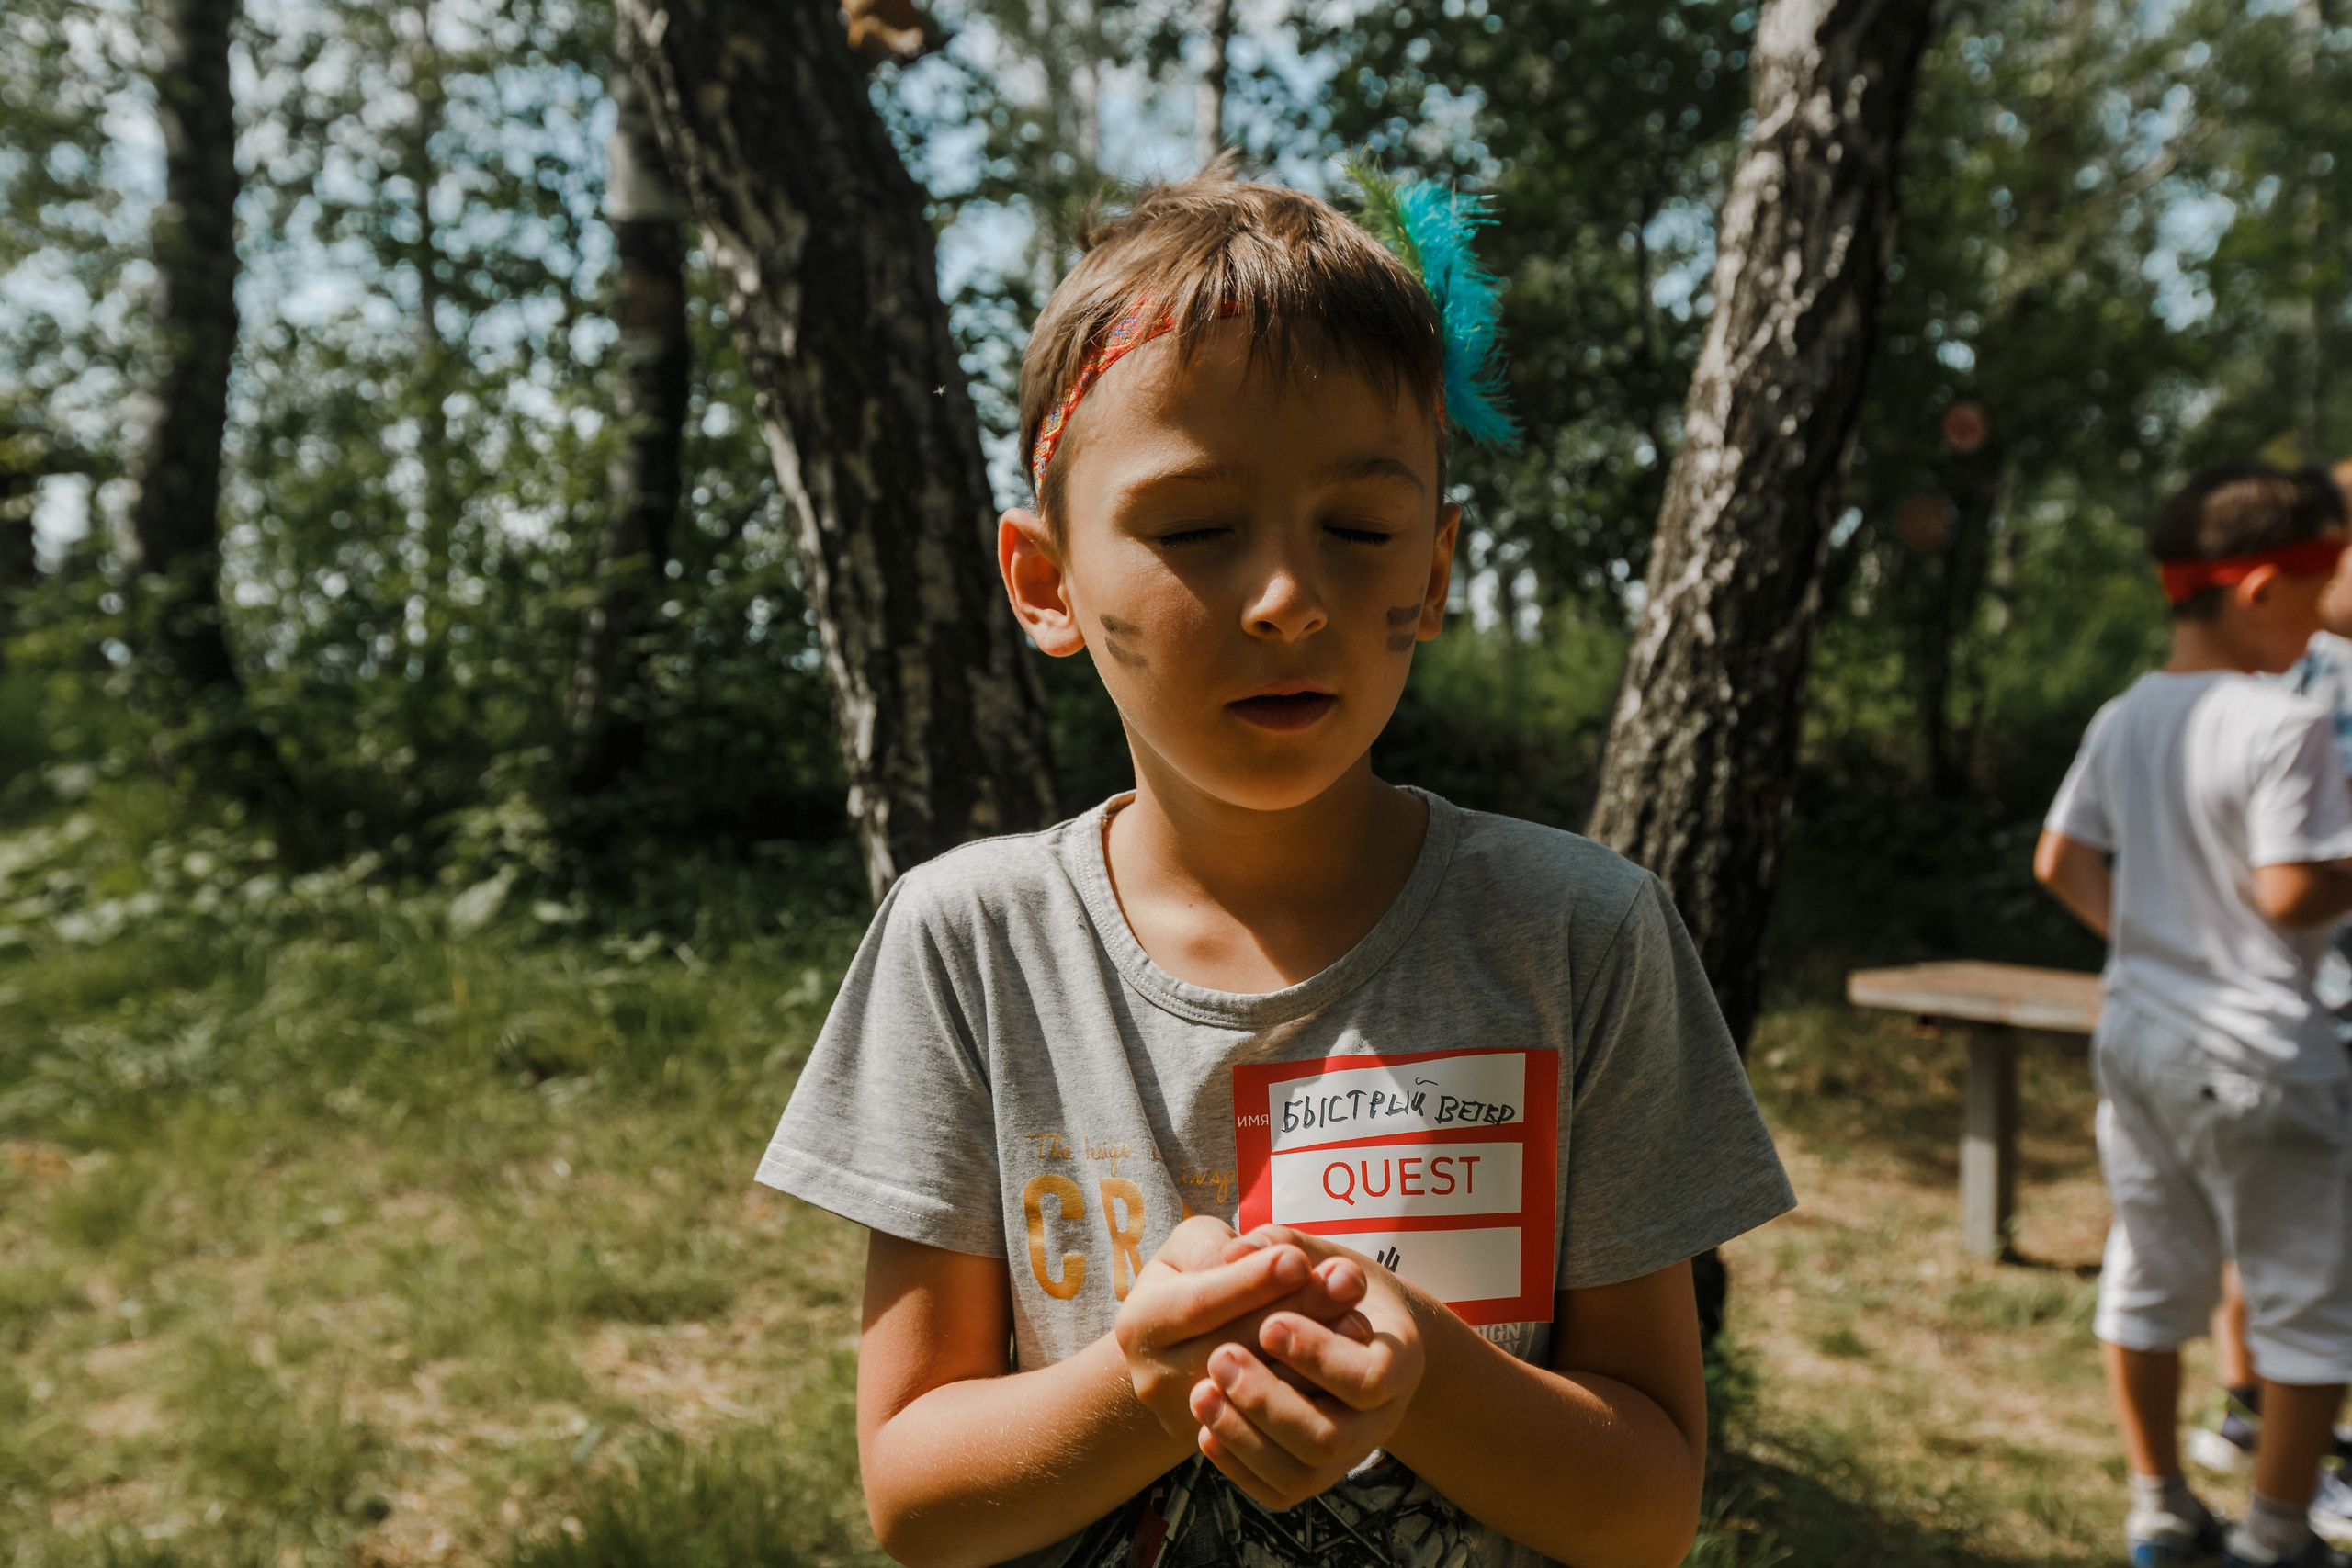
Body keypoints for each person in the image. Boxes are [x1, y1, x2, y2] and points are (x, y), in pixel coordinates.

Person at [752, 170, 1796, 1568]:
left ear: (1432, 571)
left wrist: (1421, 1375)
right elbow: (919, 1498)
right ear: (1046, 578)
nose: (1291, 595)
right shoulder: (970, 942)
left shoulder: (1582, 935)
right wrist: (1146, 1385)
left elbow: (1647, 1506)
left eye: (1360, 531)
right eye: (1194, 528)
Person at [2037, 461, 2352, 1568]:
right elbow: (2289, 890)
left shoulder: (2126, 712)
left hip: (2138, 1040)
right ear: (2261, 588)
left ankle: (2160, 1505)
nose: (2326, 618)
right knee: (2310, 1303)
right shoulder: (2284, 722)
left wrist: (2145, 942)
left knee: (2147, 1272)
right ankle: (2277, 1535)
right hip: (2264, 1052)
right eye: (2321, 591)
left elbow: (2059, 858)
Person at [2189, 460, 2352, 1553]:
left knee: (2269, 1231)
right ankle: (2288, 1482)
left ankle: (2251, 1421)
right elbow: (2284, 867)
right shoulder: (2309, 679)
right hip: (2310, 995)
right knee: (2306, 1247)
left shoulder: (2266, 672)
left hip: (2263, 998)